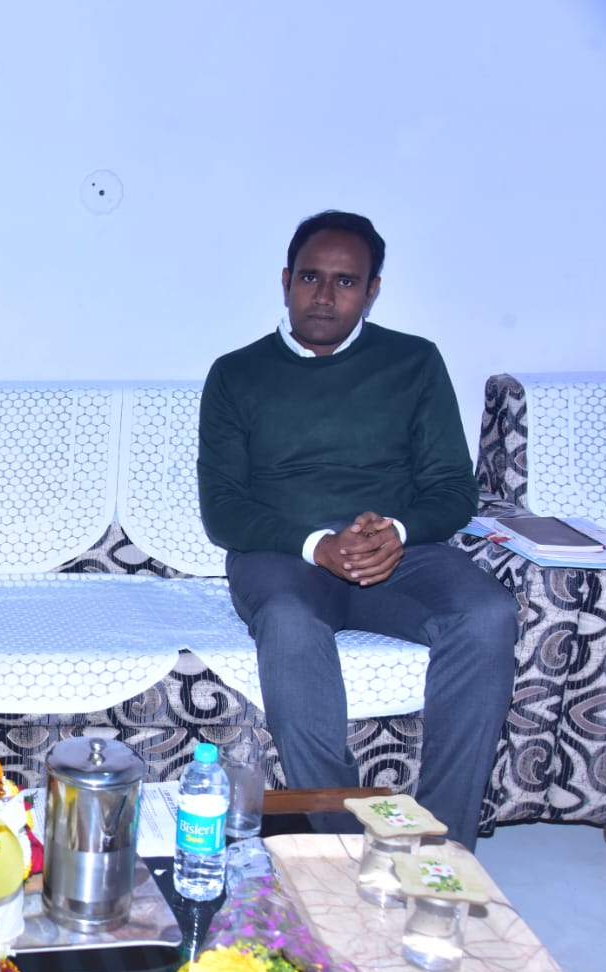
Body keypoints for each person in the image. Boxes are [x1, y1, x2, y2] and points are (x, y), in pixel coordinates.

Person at [197, 210, 517, 849]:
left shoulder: (414, 362)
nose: (323, 295)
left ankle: (442, 847)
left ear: (372, 291)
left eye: (345, 282)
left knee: (487, 613)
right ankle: (340, 843)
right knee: (289, 622)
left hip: (394, 555)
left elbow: (454, 489)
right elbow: (223, 510)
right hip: (284, 556)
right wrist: (318, 545)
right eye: (310, 277)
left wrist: (397, 528)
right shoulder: (236, 373)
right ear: (285, 281)